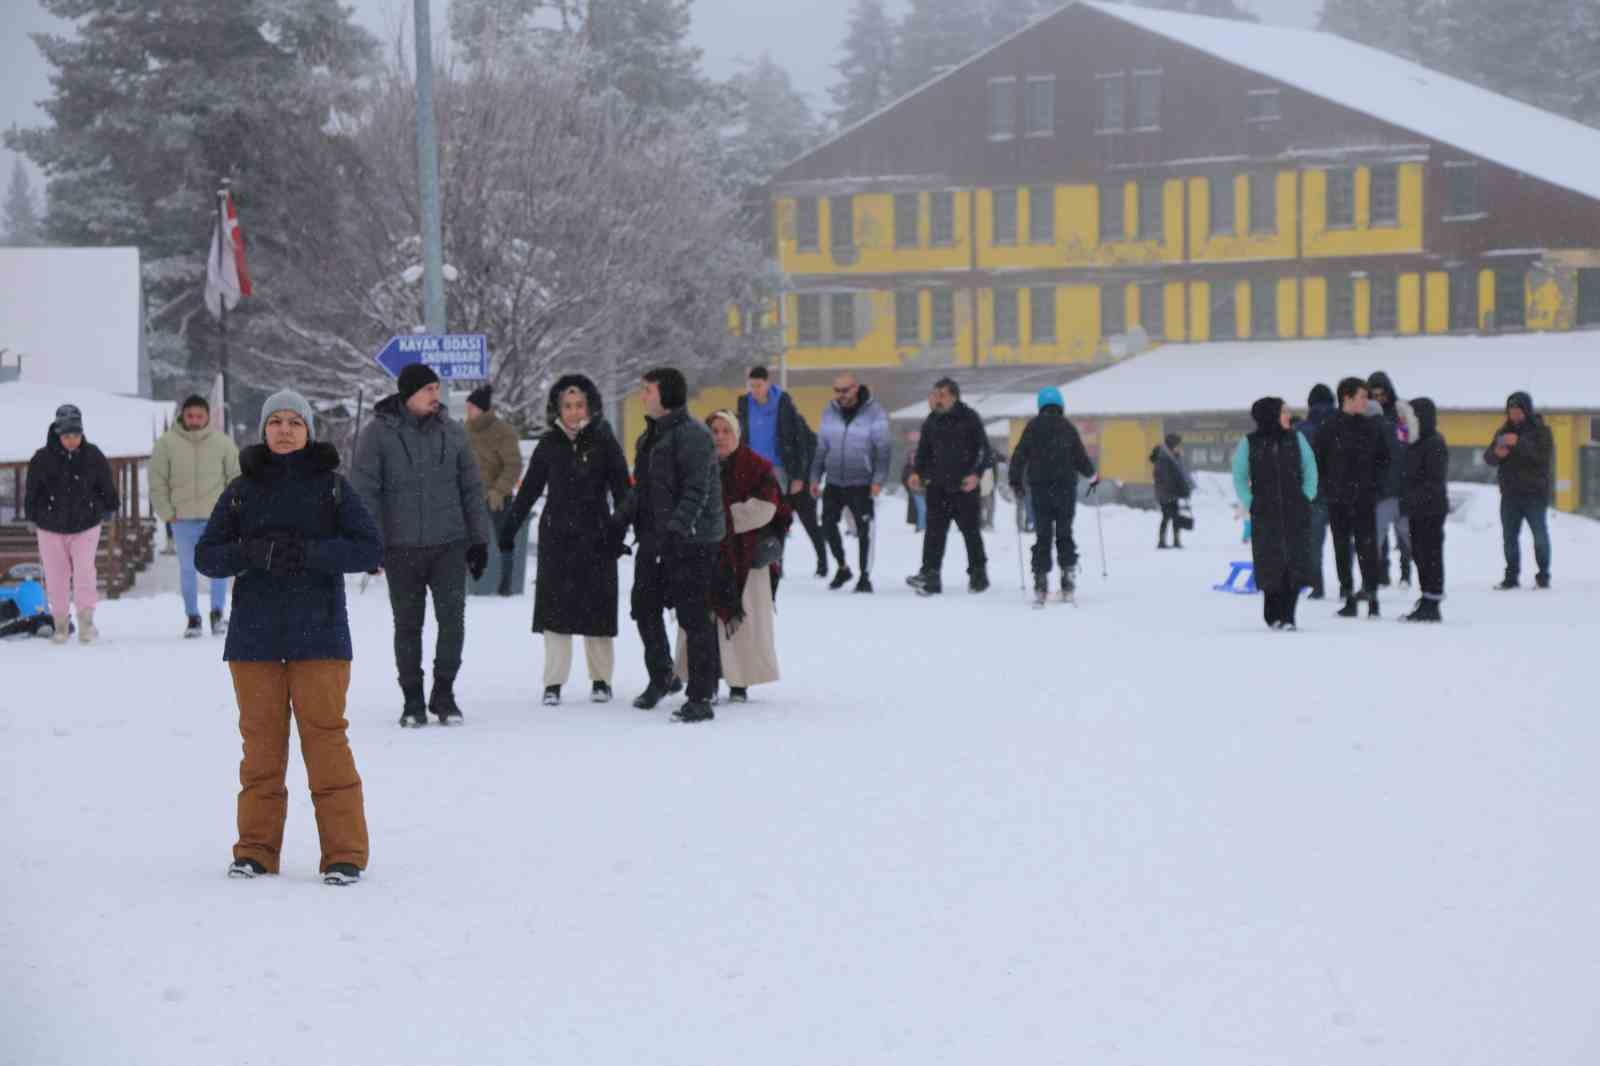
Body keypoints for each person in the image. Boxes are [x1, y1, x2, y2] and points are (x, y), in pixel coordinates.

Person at [195, 391, 383, 885]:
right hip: (254, 640)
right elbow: (207, 556)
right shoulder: (241, 490)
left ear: (308, 431)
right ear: (263, 430)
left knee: (326, 745)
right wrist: (250, 552)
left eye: (294, 422)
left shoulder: (333, 488)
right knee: (261, 750)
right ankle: (255, 849)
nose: (283, 430)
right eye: (275, 421)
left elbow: (368, 547)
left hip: (319, 635)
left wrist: (310, 553)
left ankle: (344, 853)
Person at [352, 363, 492, 727]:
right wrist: (370, 544)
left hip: (449, 543)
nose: (436, 396)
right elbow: (366, 493)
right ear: (408, 394)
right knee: (408, 626)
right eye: (428, 389)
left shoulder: (453, 432)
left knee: (453, 623)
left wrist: (478, 540)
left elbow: (471, 489)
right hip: (401, 548)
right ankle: (412, 699)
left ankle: (443, 694)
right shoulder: (377, 434)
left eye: (437, 389)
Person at [498, 375, 630, 706]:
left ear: (591, 406)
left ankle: (601, 679)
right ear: (557, 409)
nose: (573, 412)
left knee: (598, 611)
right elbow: (528, 491)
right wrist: (509, 528)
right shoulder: (549, 445)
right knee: (555, 612)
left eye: (579, 405)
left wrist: (620, 530)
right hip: (557, 536)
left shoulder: (604, 442)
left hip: (597, 535)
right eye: (567, 406)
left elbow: (623, 492)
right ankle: (553, 682)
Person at [618, 367, 724, 722]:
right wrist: (618, 521)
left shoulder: (694, 435)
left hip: (691, 540)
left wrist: (678, 532)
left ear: (666, 395)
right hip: (654, 538)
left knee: (694, 617)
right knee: (644, 607)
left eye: (647, 390)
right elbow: (642, 489)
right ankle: (662, 675)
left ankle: (701, 696)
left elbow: (698, 490)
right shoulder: (649, 437)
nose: (642, 395)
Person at [675, 412, 790, 704]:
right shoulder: (695, 465)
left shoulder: (756, 467)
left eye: (727, 430)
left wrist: (720, 519)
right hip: (703, 553)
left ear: (737, 434)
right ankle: (707, 677)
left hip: (745, 557)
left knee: (743, 622)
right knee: (705, 620)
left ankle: (740, 681)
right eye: (714, 430)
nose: (720, 436)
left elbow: (766, 508)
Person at [24, 404, 119, 645]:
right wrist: (32, 516)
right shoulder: (41, 459)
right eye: (67, 436)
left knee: (85, 572)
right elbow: (32, 492)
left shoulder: (93, 455)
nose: (71, 440)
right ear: (58, 433)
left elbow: (106, 484)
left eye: (76, 435)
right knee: (56, 575)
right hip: (49, 526)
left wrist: (110, 506)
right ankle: (60, 624)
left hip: (86, 524)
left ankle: (86, 622)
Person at [151, 394, 242, 637]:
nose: (194, 420)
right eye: (190, 415)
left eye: (199, 416)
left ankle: (217, 613)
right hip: (182, 520)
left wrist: (232, 511)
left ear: (207, 416)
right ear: (183, 415)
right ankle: (192, 617)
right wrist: (167, 512)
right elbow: (157, 481)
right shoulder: (166, 444)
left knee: (220, 567)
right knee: (188, 569)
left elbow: (236, 478)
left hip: (216, 519)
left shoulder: (223, 443)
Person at [1233, 397, 1318, 631]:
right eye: (1283, 411)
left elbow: (1310, 469)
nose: (1288, 416)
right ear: (1270, 415)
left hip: (1295, 512)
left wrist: (1306, 496)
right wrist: (1251, 501)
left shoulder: (1296, 439)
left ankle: (1289, 616)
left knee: (1295, 563)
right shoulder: (1249, 443)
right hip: (1265, 514)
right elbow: (1239, 475)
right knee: (1271, 564)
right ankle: (1273, 614)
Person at [1007, 386, 1095, 602]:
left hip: (1040, 489)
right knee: (1065, 533)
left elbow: (1019, 456)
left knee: (1043, 535)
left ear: (1040, 405)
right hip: (1065, 489)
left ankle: (1040, 579)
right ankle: (1067, 578)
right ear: (1060, 405)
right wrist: (1093, 476)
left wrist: (1015, 481)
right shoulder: (1067, 428)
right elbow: (1080, 457)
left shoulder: (1032, 427)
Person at [737, 366, 826, 578]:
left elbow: (800, 443)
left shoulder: (783, 404)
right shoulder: (744, 404)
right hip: (756, 471)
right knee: (768, 519)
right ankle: (775, 563)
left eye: (759, 385)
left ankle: (823, 560)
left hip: (784, 470)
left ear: (768, 383)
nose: (755, 390)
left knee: (806, 519)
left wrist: (798, 476)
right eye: (752, 386)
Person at [1314, 377, 1389, 618]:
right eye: (1362, 397)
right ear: (1346, 398)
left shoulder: (1371, 427)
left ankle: (1372, 595)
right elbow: (1319, 461)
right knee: (1341, 548)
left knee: (1367, 547)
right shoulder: (1328, 427)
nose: (1366, 402)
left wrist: (1376, 487)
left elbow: (1384, 460)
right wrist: (1327, 488)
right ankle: (1347, 595)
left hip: (1365, 498)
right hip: (1337, 499)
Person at [808, 372, 890, 593]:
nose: (841, 395)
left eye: (845, 390)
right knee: (827, 524)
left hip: (862, 481)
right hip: (834, 480)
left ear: (856, 388)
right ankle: (842, 567)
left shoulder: (875, 413)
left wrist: (878, 480)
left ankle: (865, 576)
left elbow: (883, 450)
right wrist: (815, 477)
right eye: (837, 390)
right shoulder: (830, 411)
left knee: (865, 530)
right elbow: (821, 448)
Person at [1485, 390, 1554, 590]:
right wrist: (1496, 453)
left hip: (1535, 495)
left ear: (1527, 411)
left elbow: (1542, 458)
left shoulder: (1541, 431)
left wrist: (1519, 443)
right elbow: (1489, 458)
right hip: (1510, 495)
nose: (1514, 414)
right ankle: (1511, 577)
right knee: (1509, 538)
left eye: (1518, 410)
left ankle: (1543, 577)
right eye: (1511, 410)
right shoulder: (1502, 432)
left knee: (1539, 537)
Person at [464, 384, 525, 597]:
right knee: (466, 540)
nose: (468, 411)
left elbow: (513, 465)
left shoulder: (503, 432)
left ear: (482, 409)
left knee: (504, 539)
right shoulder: (464, 431)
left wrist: (498, 491)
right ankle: (471, 583)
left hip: (497, 497)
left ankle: (505, 584)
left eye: (471, 407)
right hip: (470, 497)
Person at [1367, 370, 1418, 588]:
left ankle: (1406, 573)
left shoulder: (1401, 412)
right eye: (1374, 394)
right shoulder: (1368, 414)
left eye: (1382, 394)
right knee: (1380, 535)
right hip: (1378, 483)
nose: (1379, 398)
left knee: (1403, 533)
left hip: (1402, 481)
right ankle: (1382, 573)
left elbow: (1412, 440)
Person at [1401, 397, 1449, 622]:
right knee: (1420, 554)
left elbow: (1433, 480)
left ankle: (1432, 600)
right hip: (1416, 509)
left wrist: (1412, 495)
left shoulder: (1434, 442)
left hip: (1431, 509)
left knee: (1430, 555)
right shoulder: (1414, 441)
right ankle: (1426, 596)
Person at [1295, 384, 1337, 599]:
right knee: (1345, 543)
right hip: (1343, 492)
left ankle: (1316, 586)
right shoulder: (1343, 424)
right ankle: (1347, 585)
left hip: (1313, 494)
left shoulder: (1302, 429)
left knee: (1313, 543)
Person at [1149, 432, 1193, 550]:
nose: (1180, 447)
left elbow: (1179, 475)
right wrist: (1177, 489)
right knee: (1167, 516)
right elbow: (1165, 478)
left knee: (1174, 516)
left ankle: (1175, 540)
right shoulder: (1163, 459)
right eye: (1178, 445)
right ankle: (1162, 541)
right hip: (1165, 493)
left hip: (1171, 492)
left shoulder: (1172, 457)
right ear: (1172, 445)